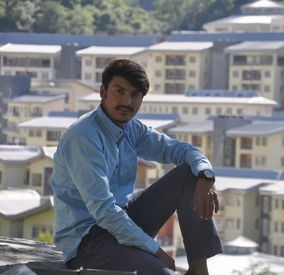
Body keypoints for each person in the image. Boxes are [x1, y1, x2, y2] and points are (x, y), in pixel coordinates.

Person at [51, 59, 222, 275]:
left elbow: (183, 151)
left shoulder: (132, 129)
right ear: (103, 92)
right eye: (119, 92)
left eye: (135, 95)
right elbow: (104, 211)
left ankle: (199, 271)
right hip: (88, 242)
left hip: (123, 219)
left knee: (190, 173)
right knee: (163, 273)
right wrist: (156, 251)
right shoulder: (84, 137)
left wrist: (206, 176)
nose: (126, 101)